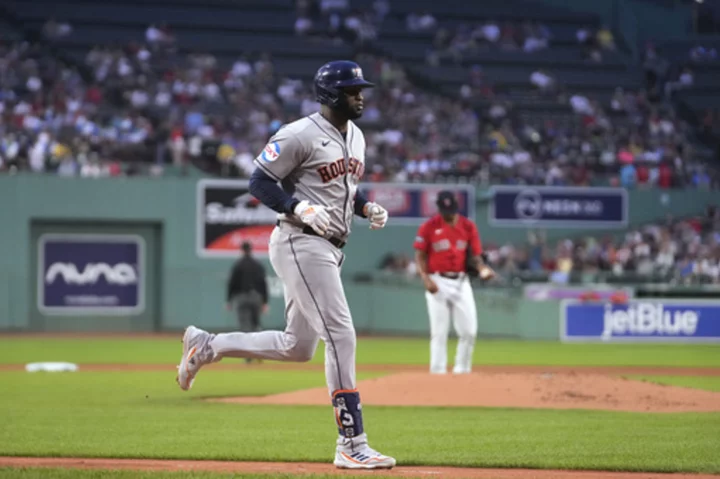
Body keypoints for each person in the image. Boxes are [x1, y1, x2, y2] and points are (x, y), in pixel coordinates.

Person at [175, 60, 395, 470]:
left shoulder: (357, 137)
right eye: (352, 90)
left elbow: (342, 188)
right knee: (342, 336)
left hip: (329, 246)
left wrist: (365, 206)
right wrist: (297, 206)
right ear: (331, 95)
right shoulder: (299, 133)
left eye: (360, 89)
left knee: (298, 348)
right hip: (301, 241)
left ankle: (209, 345)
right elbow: (258, 181)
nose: (360, 95)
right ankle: (351, 442)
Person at [413, 191, 495, 375]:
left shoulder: (467, 226)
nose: (449, 214)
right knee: (439, 332)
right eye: (445, 210)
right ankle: (438, 372)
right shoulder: (429, 227)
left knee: (469, 331)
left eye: (451, 210)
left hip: (461, 281)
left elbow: (475, 255)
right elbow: (419, 255)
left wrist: (482, 269)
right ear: (440, 208)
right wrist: (426, 279)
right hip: (437, 280)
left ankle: (462, 371)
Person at [226, 241, 268, 364]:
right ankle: (261, 353)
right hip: (256, 297)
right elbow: (263, 284)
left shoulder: (238, 265)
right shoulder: (258, 265)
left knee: (245, 327)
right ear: (251, 250)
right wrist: (265, 301)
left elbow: (232, 284)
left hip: (241, 297)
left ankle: (248, 355)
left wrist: (229, 300)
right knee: (256, 325)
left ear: (241, 250)